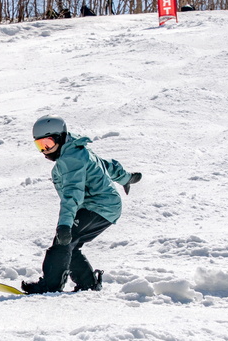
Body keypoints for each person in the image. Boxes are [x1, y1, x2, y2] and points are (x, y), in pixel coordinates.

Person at [21, 116, 141, 294]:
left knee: (62, 242)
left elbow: (72, 195)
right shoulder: (77, 149)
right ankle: (89, 284)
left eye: (48, 143)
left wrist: (64, 225)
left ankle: (50, 286)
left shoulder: (71, 159)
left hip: (99, 207)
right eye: (40, 145)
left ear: (60, 137)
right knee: (70, 244)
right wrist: (126, 177)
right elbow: (105, 166)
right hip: (104, 206)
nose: (44, 150)